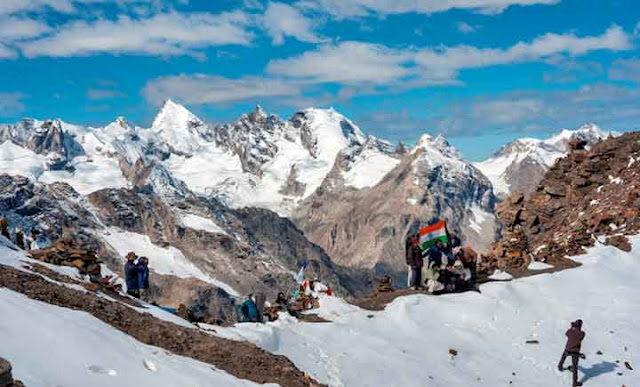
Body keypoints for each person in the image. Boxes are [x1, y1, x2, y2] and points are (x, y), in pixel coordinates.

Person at [558, 319, 586, 387]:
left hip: (567, 349)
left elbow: (566, 333)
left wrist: (572, 327)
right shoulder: (582, 333)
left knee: (563, 357)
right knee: (575, 367)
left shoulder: (570, 331)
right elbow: (581, 338)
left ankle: (560, 367)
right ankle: (574, 383)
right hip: (575, 352)